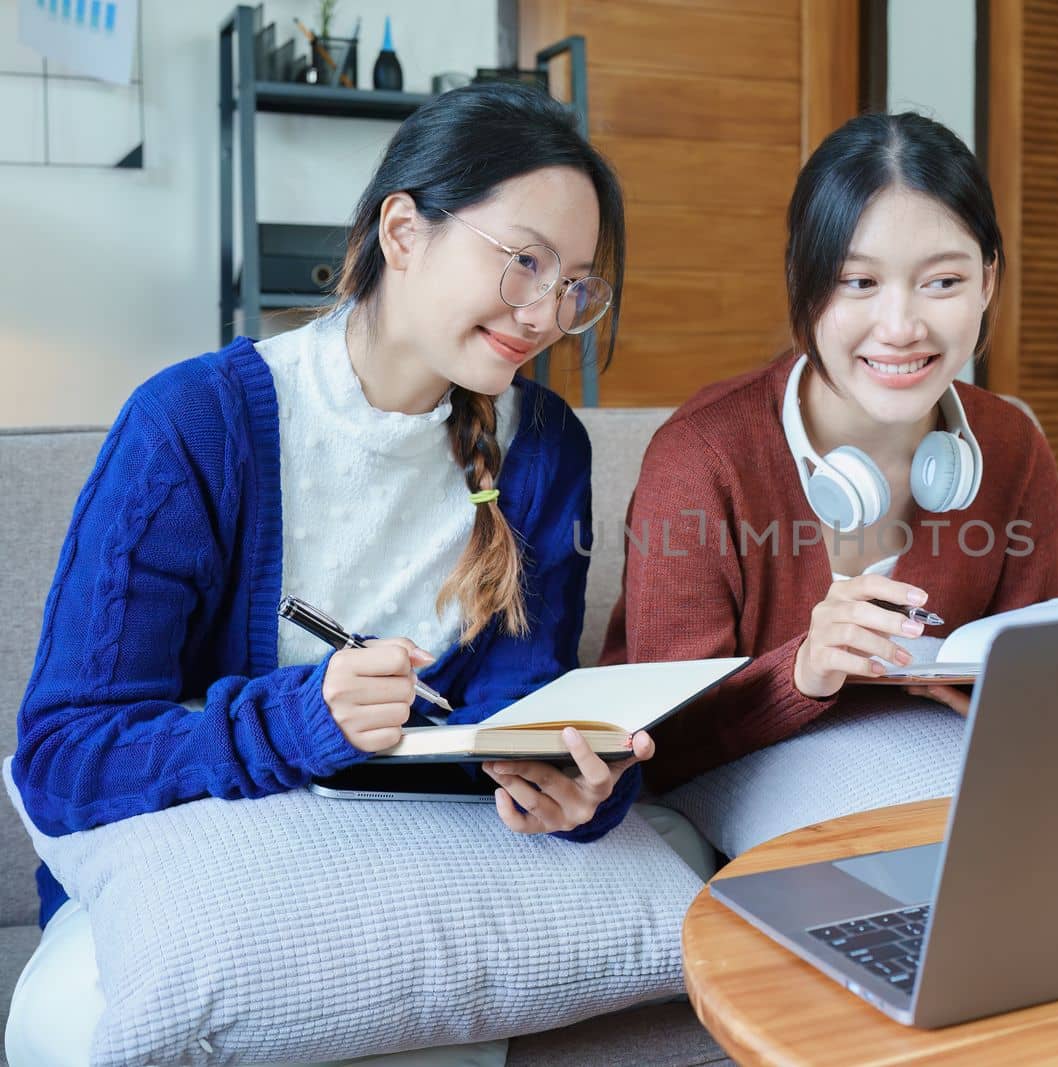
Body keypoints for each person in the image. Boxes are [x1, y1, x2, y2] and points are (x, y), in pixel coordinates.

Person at [7, 83, 644, 1067]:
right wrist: (302, 717)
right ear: (403, 230)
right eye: (523, 260)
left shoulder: (541, 444)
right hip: (206, 874)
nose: (546, 311)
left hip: (414, 877)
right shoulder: (195, 423)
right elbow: (66, 754)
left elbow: (522, 685)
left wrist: (568, 777)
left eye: (573, 285)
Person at [601, 112, 1058, 806]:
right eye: (858, 282)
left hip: (946, 770)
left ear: (988, 282)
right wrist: (804, 671)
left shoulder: (1010, 445)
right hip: (746, 765)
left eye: (943, 282)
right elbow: (658, 749)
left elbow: (1042, 676)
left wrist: (1018, 704)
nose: (903, 327)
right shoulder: (704, 455)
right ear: (805, 281)